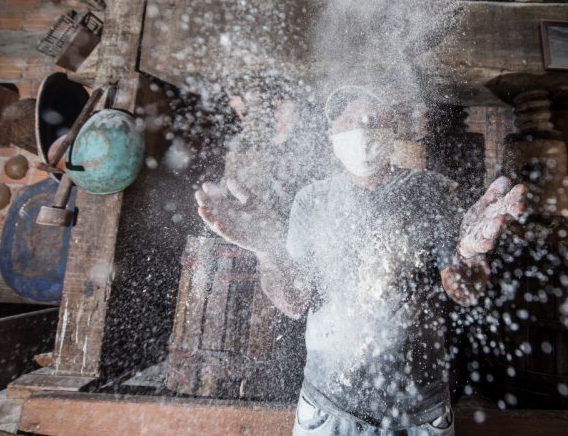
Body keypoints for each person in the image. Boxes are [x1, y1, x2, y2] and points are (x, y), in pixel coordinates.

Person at [196, 85, 526, 435]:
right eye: (348, 119)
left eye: (371, 118)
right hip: (329, 409)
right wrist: (268, 249)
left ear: (392, 129)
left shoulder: (432, 191)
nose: (361, 127)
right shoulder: (312, 202)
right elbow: (294, 300)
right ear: (331, 134)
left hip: (420, 413)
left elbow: (463, 292)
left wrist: (471, 255)